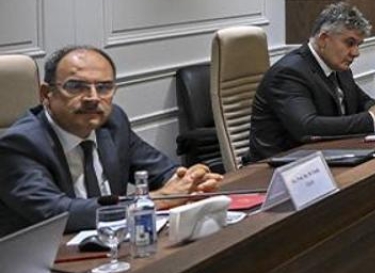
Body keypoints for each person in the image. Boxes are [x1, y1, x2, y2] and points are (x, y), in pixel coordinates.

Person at [0, 46, 222, 236]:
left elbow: (160, 170)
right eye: (76, 86)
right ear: (46, 93)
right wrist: (155, 200)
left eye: (104, 87)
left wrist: (190, 180)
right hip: (47, 260)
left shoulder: (113, 121)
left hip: (113, 245)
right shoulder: (19, 145)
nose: (92, 97)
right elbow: (57, 214)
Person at [248, 2, 375, 161]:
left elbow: (362, 102)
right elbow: (307, 127)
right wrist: (371, 120)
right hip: (281, 166)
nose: (356, 53)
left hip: (324, 155)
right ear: (323, 40)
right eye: (350, 43)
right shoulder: (288, 73)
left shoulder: (339, 68)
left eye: (358, 45)